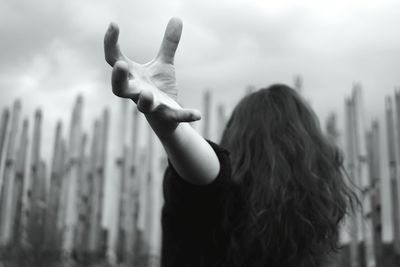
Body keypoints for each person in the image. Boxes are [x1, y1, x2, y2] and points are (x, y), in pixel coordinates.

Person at [104, 17, 357, 267]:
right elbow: (209, 176)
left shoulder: (213, 210)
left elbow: (207, 180)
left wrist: (171, 130)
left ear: (235, 140)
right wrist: (172, 131)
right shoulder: (315, 229)